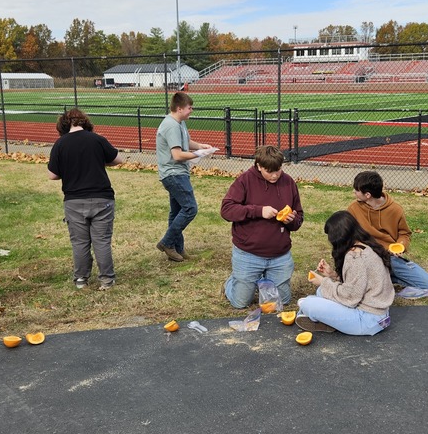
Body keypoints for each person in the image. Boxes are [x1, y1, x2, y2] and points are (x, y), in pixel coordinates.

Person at [48, 109, 125, 290]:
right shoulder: (97, 139)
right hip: (102, 197)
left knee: (80, 242)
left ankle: (81, 279)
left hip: (74, 200)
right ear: (85, 122)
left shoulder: (60, 144)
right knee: (102, 241)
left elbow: (52, 175)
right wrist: (98, 161)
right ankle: (107, 280)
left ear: (63, 125)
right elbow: (118, 159)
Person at [220, 145, 304, 307]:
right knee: (240, 302)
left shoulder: (288, 182)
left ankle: (260, 279)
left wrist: (292, 220)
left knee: (282, 302)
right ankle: (231, 283)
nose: (274, 175)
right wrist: (258, 211)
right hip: (248, 253)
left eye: (278, 170)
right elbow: (226, 210)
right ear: (259, 166)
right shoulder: (244, 180)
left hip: (279, 255)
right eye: (269, 171)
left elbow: (299, 217)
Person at [296, 211, 394, 336]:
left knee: (307, 303)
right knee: (321, 292)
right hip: (380, 314)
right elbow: (358, 283)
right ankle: (326, 320)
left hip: (367, 319)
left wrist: (323, 282)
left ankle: (321, 318)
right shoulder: (367, 246)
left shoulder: (354, 257)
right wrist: (332, 275)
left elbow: (350, 297)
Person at [347, 170, 428, 299]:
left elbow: (404, 233)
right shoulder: (353, 209)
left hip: (389, 257)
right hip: (366, 257)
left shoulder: (395, 209)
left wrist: (401, 245)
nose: (353, 192)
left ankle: (385, 277)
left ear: (367, 195)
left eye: (356, 190)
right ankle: (380, 278)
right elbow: (348, 235)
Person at [155, 91, 216, 262]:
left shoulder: (179, 123)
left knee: (176, 212)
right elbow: (177, 155)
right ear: (179, 108)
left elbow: (185, 142)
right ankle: (166, 243)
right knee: (190, 208)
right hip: (174, 174)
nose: (191, 110)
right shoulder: (171, 125)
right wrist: (198, 154)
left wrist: (201, 146)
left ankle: (177, 249)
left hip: (177, 173)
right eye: (189, 108)